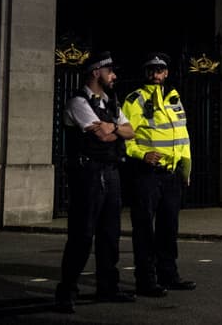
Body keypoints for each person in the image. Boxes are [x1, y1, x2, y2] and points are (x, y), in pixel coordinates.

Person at [54, 51, 136, 313]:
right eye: (109, 71)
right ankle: (67, 291)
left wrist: (111, 127)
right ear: (95, 72)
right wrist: (114, 129)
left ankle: (107, 287)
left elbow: (130, 131)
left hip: (110, 172)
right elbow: (102, 136)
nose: (114, 76)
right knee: (82, 235)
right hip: (87, 174)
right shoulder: (78, 102)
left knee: (109, 234)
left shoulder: (111, 102)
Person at [122, 52, 196, 297]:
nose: (155, 75)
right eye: (151, 70)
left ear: (166, 73)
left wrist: (185, 169)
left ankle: (169, 275)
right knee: (144, 228)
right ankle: (145, 279)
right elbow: (126, 136)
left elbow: (183, 137)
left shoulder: (174, 98)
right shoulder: (136, 99)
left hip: (172, 175)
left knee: (168, 229)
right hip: (147, 174)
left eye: (160, 70)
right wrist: (141, 154)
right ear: (146, 73)